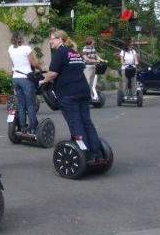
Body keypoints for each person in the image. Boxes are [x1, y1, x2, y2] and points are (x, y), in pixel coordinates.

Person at [41, 29, 103, 161]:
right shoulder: (74, 52)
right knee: (87, 122)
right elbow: (71, 69)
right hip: (83, 91)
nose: (50, 41)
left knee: (76, 123)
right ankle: (96, 152)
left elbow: (53, 73)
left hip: (69, 94)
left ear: (59, 39)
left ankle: (84, 154)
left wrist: (42, 81)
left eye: (52, 39)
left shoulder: (59, 53)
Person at [7, 32, 41, 134]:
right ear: (21, 39)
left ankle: (22, 128)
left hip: (15, 78)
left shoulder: (10, 49)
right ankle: (33, 128)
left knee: (21, 104)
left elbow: (13, 64)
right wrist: (41, 68)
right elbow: (34, 63)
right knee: (30, 105)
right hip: (25, 79)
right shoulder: (27, 49)